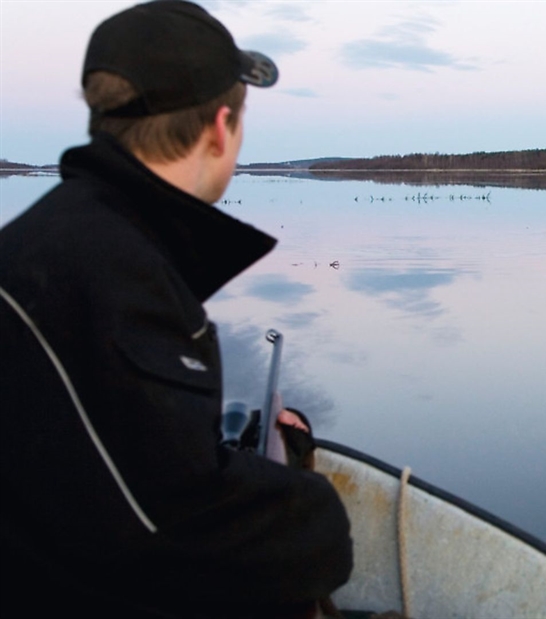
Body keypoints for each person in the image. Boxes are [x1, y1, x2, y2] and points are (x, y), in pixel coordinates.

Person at [0, 1, 352, 617]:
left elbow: (110, 459)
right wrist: (310, 508)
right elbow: (168, 530)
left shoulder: (59, 240)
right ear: (221, 127)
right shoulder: (117, 273)